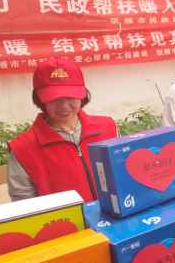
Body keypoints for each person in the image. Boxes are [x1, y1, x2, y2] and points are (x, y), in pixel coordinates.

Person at [7, 59, 117, 203]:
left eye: (71, 97)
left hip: (115, 214)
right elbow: (25, 203)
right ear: (39, 99)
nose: (64, 105)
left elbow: (125, 172)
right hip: (65, 218)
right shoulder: (23, 148)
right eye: (54, 98)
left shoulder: (108, 128)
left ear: (83, 95)